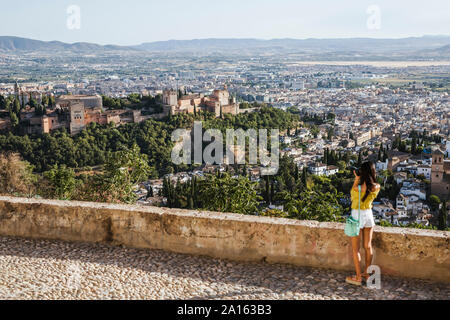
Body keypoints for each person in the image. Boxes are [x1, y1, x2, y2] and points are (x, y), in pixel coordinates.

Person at [346, 161, 381, 286]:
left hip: (357, 215)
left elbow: (352, 195)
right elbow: (370, 191)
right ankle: (367, 274)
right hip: (369, 215)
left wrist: (357, 179)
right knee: (368, 246)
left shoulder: (357, 188)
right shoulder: (377, 187)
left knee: (356, 249)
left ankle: (358, 277)